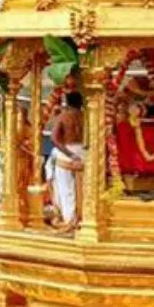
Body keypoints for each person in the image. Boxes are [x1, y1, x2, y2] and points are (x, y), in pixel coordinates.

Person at [49, 90, 85, 228]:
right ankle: (81, 219)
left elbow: (54, 138)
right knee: (83, 190)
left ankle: (69, 221)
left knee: (66, 191)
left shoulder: (64, 116)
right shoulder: (85, 116)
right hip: (83, 153)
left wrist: (70, 154)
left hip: (67, 155)